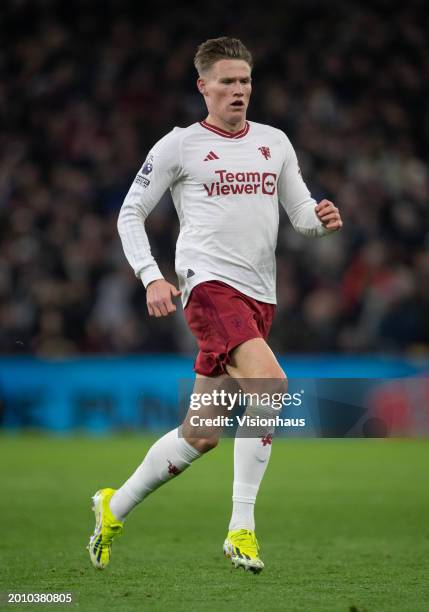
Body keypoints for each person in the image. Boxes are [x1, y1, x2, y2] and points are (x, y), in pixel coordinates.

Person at [88, 36, 343, 573]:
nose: (239, 91)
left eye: (245, 81)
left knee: (201, 433)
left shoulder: (274, 142)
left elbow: (298, 217)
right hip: (206, 286)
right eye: (227, 81)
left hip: (259, 296)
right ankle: (241, 528)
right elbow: (130, 212)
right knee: (271, 384)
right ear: (203, 87)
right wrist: (151, 276)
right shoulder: (179, 145)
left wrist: (320, 222)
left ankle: (114, 505)